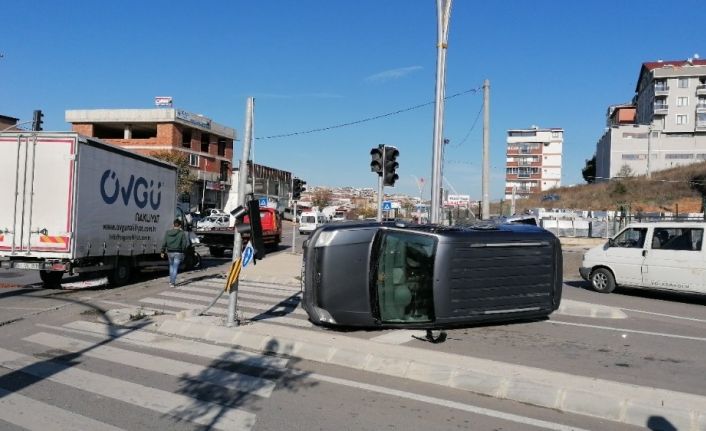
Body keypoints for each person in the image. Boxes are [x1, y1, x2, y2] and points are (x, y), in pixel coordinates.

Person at [161, 219, 189, 287]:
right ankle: (173, 282)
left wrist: (162, 251)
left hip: (169, 252)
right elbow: (185, 244)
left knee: (171, 266)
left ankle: (171, 281)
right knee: (175, 267)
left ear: (173, 225)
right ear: (180, 225)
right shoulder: (182, 233)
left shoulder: (167, 232)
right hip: (178, 252)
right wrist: (183, 251)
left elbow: (164, 242)